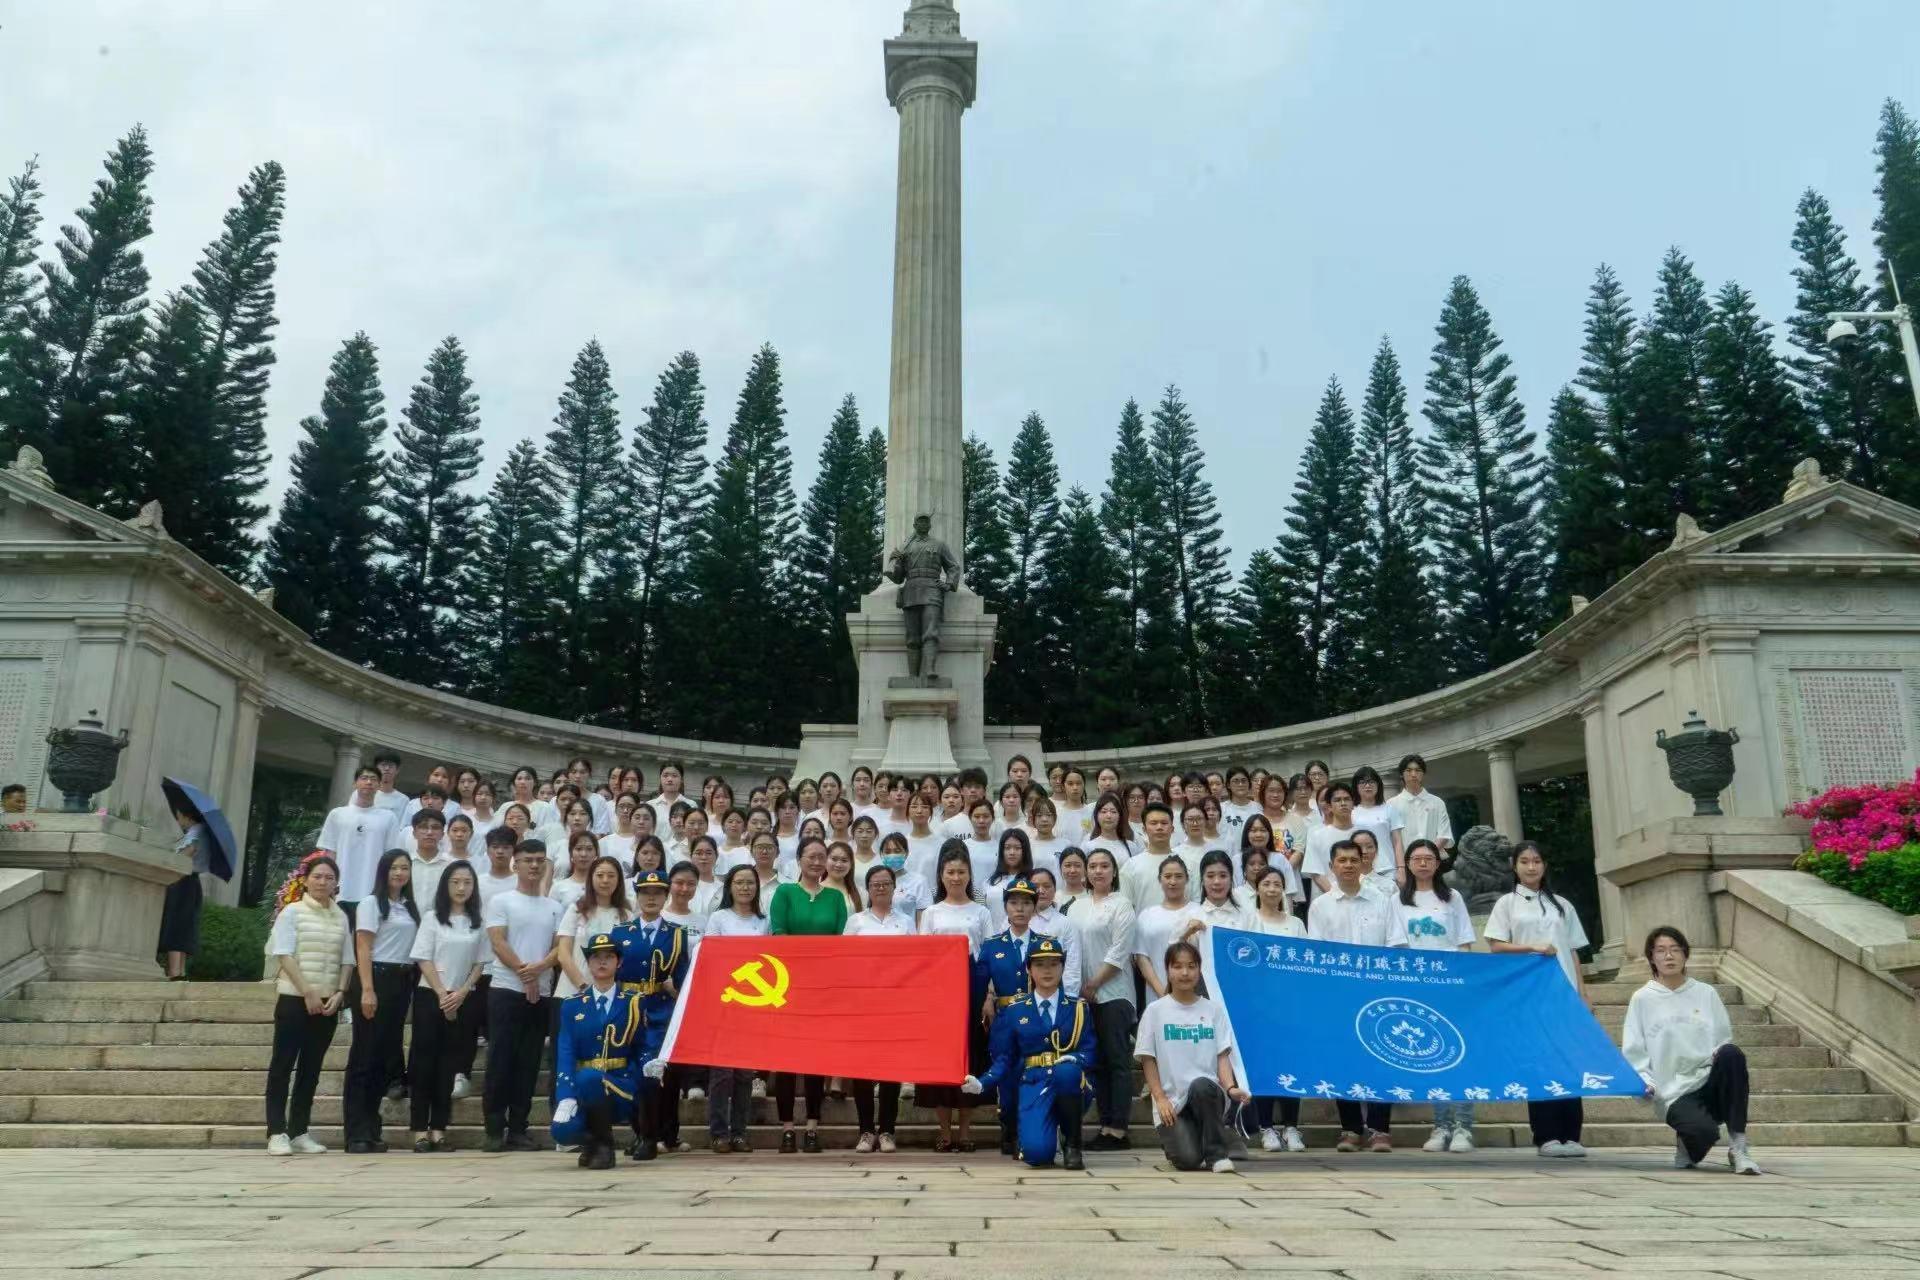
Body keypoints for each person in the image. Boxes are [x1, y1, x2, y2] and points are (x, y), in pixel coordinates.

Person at [1623, 925, 1761, 1175]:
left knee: (1732, 1054)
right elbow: (1634, 1049)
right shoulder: (1642, 998)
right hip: (1673, 1090)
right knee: (1703, 1135)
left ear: (1685, 955)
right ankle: (1687, 1140)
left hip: (1708, 1079)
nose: (1668, 956)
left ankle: (1739, 1148)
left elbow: (1722, 1039)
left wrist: (1719, 1060)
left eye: (1675, 949)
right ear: (1651, 957)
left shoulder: (1705, 993)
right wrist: (1645, 1081)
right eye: (1661, 950)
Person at [1485, 840, 1591, 1158]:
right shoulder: (1507, 903)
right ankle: (1545, 1134)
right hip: (1528, 994)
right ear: (1514, 866)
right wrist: (1532, 948)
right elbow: (1495, 945)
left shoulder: (1561, 904)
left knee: (1568, 1060)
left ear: (1544, 866)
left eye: (1537, 861)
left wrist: (1583, 993)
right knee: (1539, 1062)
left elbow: (1572, 950)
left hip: (1563, 992)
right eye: (1525, 861)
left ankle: (1571, 1134)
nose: (1532, 867)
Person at [1308, 839, 1408, 1152]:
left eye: (1354, 859)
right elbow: (1317, 954)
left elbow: (1396, 945)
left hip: (1378, 993)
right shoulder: (1321, 906)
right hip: (1338, 996)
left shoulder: (1383, 899)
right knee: (1342, 1059)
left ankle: (1380, 1129)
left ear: (1363, 862)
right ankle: (1350, 1129)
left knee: (1383, 1057)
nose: (1348, 865)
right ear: (1332, 866)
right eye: (1342, 860)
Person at [960, 937, 1092, 1169]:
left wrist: (1077, 1059)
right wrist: (982, 1083)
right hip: (1033, 1083)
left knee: (1068, 1072)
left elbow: (1091, 1050)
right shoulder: (1014, 1010)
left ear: (1062, 967)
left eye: (1054, 964)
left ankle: (1072, 1142)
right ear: (1029, 969)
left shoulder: (1078, 1008)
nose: (1047, 971)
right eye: (1040, 965)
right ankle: (1049, 1133)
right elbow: (1006, 1057)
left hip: (1069, 1083)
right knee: (1037, 1155)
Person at [1390, 839, 1477, 1152]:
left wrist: (1462, 983)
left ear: (1438, 863)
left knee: (1460, 1057)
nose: (1423, 863)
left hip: (1451, 986)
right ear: (1409, 863)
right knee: (1434, 1057)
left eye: (1429, 858)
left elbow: (1464, 942)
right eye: (1417, 858)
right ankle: (1440, 1125)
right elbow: (1397, 945)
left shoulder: (1452, 897)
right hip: (1419, 988)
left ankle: (1464, 1127)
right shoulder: (1398, 899)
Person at [1134, 941, 1248, 1173]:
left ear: (1199, 970)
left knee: (1201, 1085)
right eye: (1177, 967)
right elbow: (1148, 1059)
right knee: (1188, 1161)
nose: (1185, 973)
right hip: (1173, 1103)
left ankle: (1217, 1155)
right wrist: (1160, 1098)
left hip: (1206, 1094)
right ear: (1167, 970)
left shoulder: (1213, 1010)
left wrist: (1230, 1088)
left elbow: (1222, 1055)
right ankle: (1209, 1135)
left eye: (1191, 966)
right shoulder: (1155, 1012)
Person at [264, 855, 352, 1155]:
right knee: (283, 1065)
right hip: (293, 998)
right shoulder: (292, 912)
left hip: (329, 1001)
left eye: (329, 878)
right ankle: (276, 1131)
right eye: (317, 876)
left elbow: (347, 958)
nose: (322, 882)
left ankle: (299, 1130)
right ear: (305, 879)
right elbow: (284, 954)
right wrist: (307, 992)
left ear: (335, 884)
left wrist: (340, 992)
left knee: (311, 1068)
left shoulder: (340, 916)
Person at [482, 839, 562, 1152]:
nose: (534, 866)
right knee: (500, 1060)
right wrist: (523, 972)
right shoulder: (502, 901)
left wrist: (539, 969)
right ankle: (493, 1128)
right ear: (515, 863)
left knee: (528, 1064)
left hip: (540, 994)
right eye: (528, 860)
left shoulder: (554, 906)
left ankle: (519, 1127)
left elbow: (560, 947)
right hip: (505, 989)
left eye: (540, 860)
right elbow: (498, 942)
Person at [767, 837, 848, 1151]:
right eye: (811, 856)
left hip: (823, 989)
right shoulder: (784, 893)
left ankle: (813, 1127)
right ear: (799, 859)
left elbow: (840, 942)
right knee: (786, 1061)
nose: (817, 862)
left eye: (822, 857)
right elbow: (779, 934)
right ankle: (788, 1128)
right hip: (788, 987)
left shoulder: (836, 898)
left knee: (816, 1061)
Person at [917, 843, 993, 1152]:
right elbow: (922, 957)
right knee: (940, 1059)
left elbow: (989, 957)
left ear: (970, 875)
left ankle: (965, 1131)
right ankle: (944, 1130)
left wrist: (989, 997)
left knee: (970, 1057)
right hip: (939, 992)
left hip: (974, 988)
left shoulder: (982, 912)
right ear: (941, 875)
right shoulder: (932, 913)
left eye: (962, 872)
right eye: (950, 872)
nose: (956, 877)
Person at [343, 849, 419, 1153]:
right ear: (383, 872)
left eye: (405, 868)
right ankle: (355, 1131)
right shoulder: (370, 903)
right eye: (394, 868)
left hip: (402, 980)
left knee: (384, 1056)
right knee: (364, 1055)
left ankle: (372, 1128)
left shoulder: (409, 907)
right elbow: (363, 948)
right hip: (375, 977)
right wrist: (367, 989)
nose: (399, 873)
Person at [611, 868, 691, 1160]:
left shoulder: (677, 935)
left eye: (657, 893)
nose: (651, 898)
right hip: (629, 1009)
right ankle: (639, 1132)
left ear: (666, 896)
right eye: (646, 893)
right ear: (638, 895)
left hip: (661, 1011)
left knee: (654, 1074)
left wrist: (675, 991)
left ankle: (651, 1136)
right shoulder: (620, 934)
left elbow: (683, 978)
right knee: (629, 1072)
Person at [549, 933, 645, 1170]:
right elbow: (566, 1051)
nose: (602, 962)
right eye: (596, 957)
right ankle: (592, 1141)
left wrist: (641, 1075)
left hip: (620, 1086)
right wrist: (565, 1096)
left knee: (590, 1077)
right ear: (588, 963)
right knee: (561, 1131)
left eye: (609, 957)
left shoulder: (633, 1001)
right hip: (584, 1087)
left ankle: (605, 1147)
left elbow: (641, 1046)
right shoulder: (572, 1005)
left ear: (618, 962)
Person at [408, 861, 486, 1152]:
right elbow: (423, 958)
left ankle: (439, 1128)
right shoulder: (432, 918)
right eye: (455, 882)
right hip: (431, 996)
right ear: (446, 885)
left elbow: (480, 962)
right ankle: (418, 1130)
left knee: (448, 1065)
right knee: (424, 1063)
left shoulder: (477, 921)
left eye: (467, 882)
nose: (461, 888)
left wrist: (463, 991)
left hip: (462, 998)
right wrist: (442, 993)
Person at [842, 864, 914, 1153]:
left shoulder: (906, 923)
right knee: (861, 1067)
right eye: (875, 883)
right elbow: (843, 961)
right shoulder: (856, 922)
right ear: (867, 888)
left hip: (895, 1004)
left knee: (890, 1067)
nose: (881, 887)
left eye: (886, 883)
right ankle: (865, 1130)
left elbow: (916, 961)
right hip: (862, 1004)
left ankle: (887, 1130)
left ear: (894, 888)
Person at [704, 866, 770, 1152]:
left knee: (745, 1074)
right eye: (739, 882)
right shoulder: (719, 918)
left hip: (753, 1005)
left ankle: (740, 1132)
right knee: (721, 1074)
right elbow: (711, 956)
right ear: (729, 887)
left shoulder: (764, 922)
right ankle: (719, 1132)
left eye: (750, 883)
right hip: (723, 1001)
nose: (745, 888)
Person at [1075, 848, 1137, 1150]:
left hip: (1114, 995)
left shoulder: (1122, 905)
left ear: (1114, 872)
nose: (1098, 871)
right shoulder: (1076, 906)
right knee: (1097, 1064)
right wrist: (1080, 988)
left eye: (1104, 866)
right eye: (1093, 866)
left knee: (1117, 1063)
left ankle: (1118, 1129)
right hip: (1085, 998)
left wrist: (1095, 982)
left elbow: (1120, 950)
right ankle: (1104, 1124)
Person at [1243, 865, 1308, 1152]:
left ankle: (1291, 1127)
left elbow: (1305, 964)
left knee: (1292, 1064)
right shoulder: (1247, 921)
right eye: (1266, 883)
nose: (1271, 888)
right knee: (1263, 1066)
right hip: (1257, 1006)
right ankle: (1266, 1126)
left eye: (1277, 883)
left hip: (1290, 1005)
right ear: (1257, 888)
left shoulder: (1295, 924)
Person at [316, 765, 401, 922]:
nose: (369, 782)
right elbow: (329, 854)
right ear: (355, 783)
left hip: (373, 892)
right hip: (340, 891)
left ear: (379, 785)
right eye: (364, 778)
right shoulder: (337, 814)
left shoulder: (388, 818)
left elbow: (391, 858)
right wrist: (328, 884)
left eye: (374, 779)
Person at [1133, 857, 1204, 1003]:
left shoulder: (1199, 912)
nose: (1173, 881)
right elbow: (1142, 957)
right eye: (1167, 876)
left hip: (1193, 994)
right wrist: (1162, 992)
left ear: (1187, 879)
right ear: (1160, 879)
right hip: (1156, 996)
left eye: (1178, 876)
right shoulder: (1147, 915)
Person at [160, 795, 215, 980]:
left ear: (186, 815)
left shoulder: (196, 832)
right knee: (185, 926)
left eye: (178, 816)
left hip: (181, 881)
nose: (178, 820)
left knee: (176, 926)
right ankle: (180, 971)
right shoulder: (203, 831)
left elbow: (186, 854)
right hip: (191, 883)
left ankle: (174, 972)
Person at [1350, 766, 1407, 889]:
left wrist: (1401, 869)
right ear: (1356, 786)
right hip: (1360, 870)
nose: (1367, 785)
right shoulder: (1351, 811)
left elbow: (1397, 842)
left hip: (1387, 869)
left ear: (1378, 785)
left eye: (1371, 781)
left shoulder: (1389, 809)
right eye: (1362, 782)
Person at [1301, 782, 1362, 895]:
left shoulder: (1364, 834)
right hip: (1326, 898)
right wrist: (1338, 895)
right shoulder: (1316, 835)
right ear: (1329, 806)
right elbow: (1316, 873)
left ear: (1353, 803)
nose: (1343, 803)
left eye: (1347, 799)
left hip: (1360, 896)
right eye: (1337, 800)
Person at [1118, 804, 1180, 910]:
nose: (1159, 827)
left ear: (1172, 829)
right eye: (1153, 823)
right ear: (1144, 829)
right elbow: (1125, 907)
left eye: (1164, 823)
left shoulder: (1185, 863)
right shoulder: (1131, 866)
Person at [1388, 753, 1453, 853]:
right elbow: (1390, 838)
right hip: (1403, 862)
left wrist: (1427, 855)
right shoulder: (1391, 804)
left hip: (1433, 861)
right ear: (1401, 774)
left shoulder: (1437, 802)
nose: (1413, 774)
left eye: (1418, 770)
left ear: (1423, 774)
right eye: (1409, 770)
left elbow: (1444, 835)